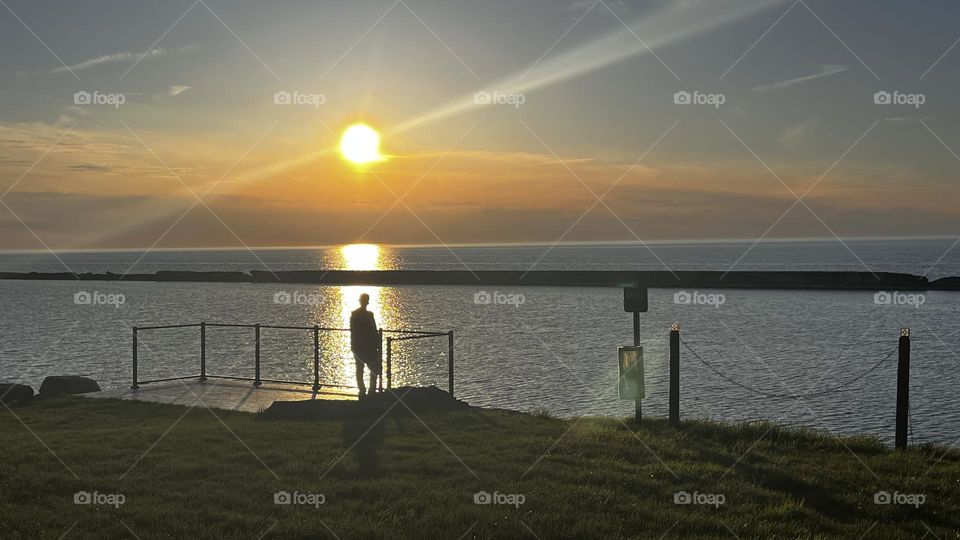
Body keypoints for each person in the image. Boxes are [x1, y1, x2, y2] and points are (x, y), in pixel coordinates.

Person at [350, 293, 381, 397]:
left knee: (360, 370)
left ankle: (363, 390)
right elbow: (373, 331)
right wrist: (377, 344)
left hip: (360, 346)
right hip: (368, 347)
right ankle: (371, 390)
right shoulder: (368, 315)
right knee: (373, 369)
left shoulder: (355, 314)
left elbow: (353, 331)